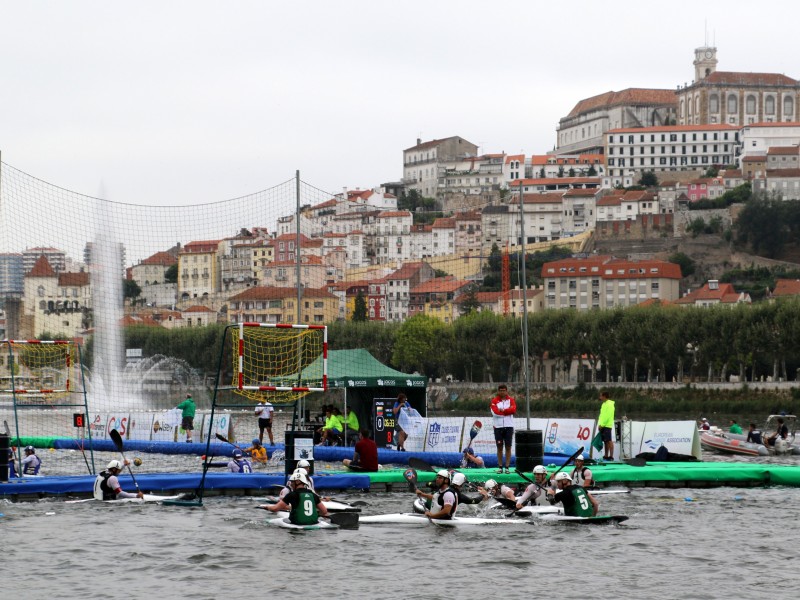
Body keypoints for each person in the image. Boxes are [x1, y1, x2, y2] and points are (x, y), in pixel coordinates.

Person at [265, 470, 329, 526]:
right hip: (313, 523)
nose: (291, 484)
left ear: (298, 481)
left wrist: (267, 507)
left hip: (297, 524)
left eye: (292, 482)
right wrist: (316, 515)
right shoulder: (313, 495)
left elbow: (275, 509)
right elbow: (324, 511)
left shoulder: (291, 495)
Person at [490, 384, 516, 473]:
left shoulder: (511, 400)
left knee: (508, 447)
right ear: (498, 391)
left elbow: (513, 410)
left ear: (506, 391)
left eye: (504, 390)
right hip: (498, 427)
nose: (502, 392)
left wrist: (503, 410)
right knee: (499, 447)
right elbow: (495, 413)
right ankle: (500, 467)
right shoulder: (494, 401)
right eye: (500, 390)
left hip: (509, 427)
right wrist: (507, 411)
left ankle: (507, 467)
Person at [598, 391, 616, 461]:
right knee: (605, 441)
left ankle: (611, 456)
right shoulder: (603, 404)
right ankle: (606, 455)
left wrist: (602, 424)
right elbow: (601, 415)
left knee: (609, 441)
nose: (600, 397)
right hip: (602, 425)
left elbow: (608, 416)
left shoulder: (610, 404)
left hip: (607, 425)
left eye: (601, 396)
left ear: (604, 396)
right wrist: (600, 424)